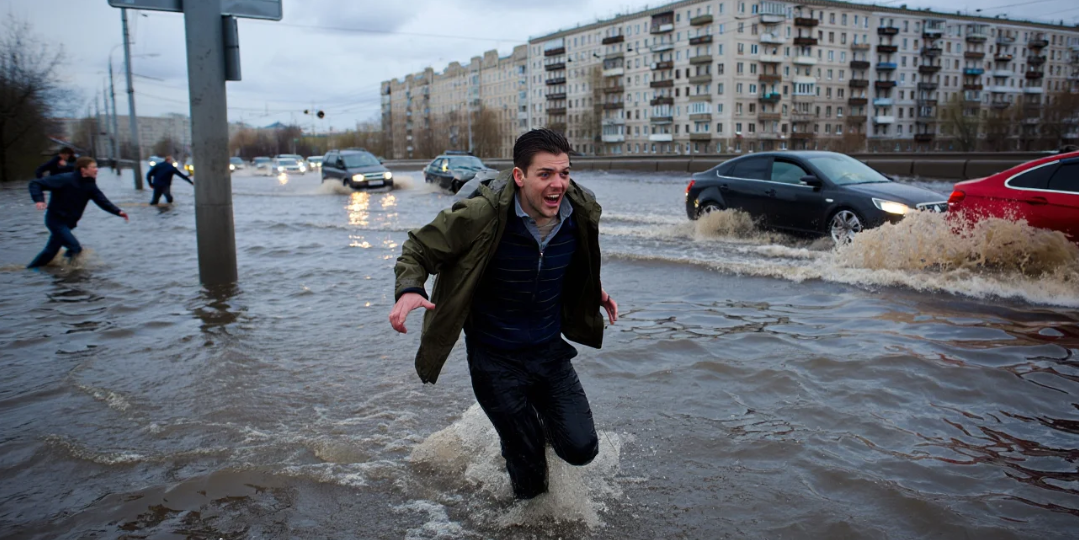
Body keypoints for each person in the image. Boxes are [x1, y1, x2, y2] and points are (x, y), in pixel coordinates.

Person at [389, 129, 618, 500]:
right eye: (545, 174)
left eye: (564, 172)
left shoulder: (580, 211)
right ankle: (521, 456)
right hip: (494, 358)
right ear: (519, 176)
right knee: (530, 484)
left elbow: (577, 261)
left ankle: (529, 434)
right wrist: (411, 289)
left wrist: (595, 290)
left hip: (548, 352)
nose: (558, 183)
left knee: (581, 449)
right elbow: (417, 248)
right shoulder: (482, 215)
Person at [27, 157, 128, 268]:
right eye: (93, 167)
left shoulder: (90, 185)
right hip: (56, 221)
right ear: (83, 169)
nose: (97, 170)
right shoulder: (65, 179)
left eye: (96, 167)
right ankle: (66, 272)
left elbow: (102, 201)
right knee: (75, 248)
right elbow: (35, 184)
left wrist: (118, 212)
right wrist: (39, 200)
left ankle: (32, 270)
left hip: (68, 223)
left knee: (50, 251)